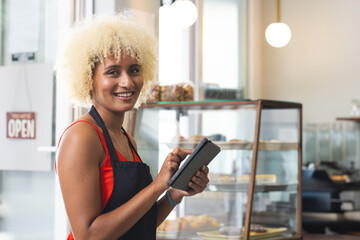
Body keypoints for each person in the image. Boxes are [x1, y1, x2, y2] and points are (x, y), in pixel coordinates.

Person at [55, 14, 210, 240]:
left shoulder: (126, 138)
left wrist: (174, 193)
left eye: (134, 70)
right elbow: (87, 236)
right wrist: (157, 186)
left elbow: (139, 224)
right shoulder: (81, 137)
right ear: (89, 79)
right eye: (113, 72)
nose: (127, 82)